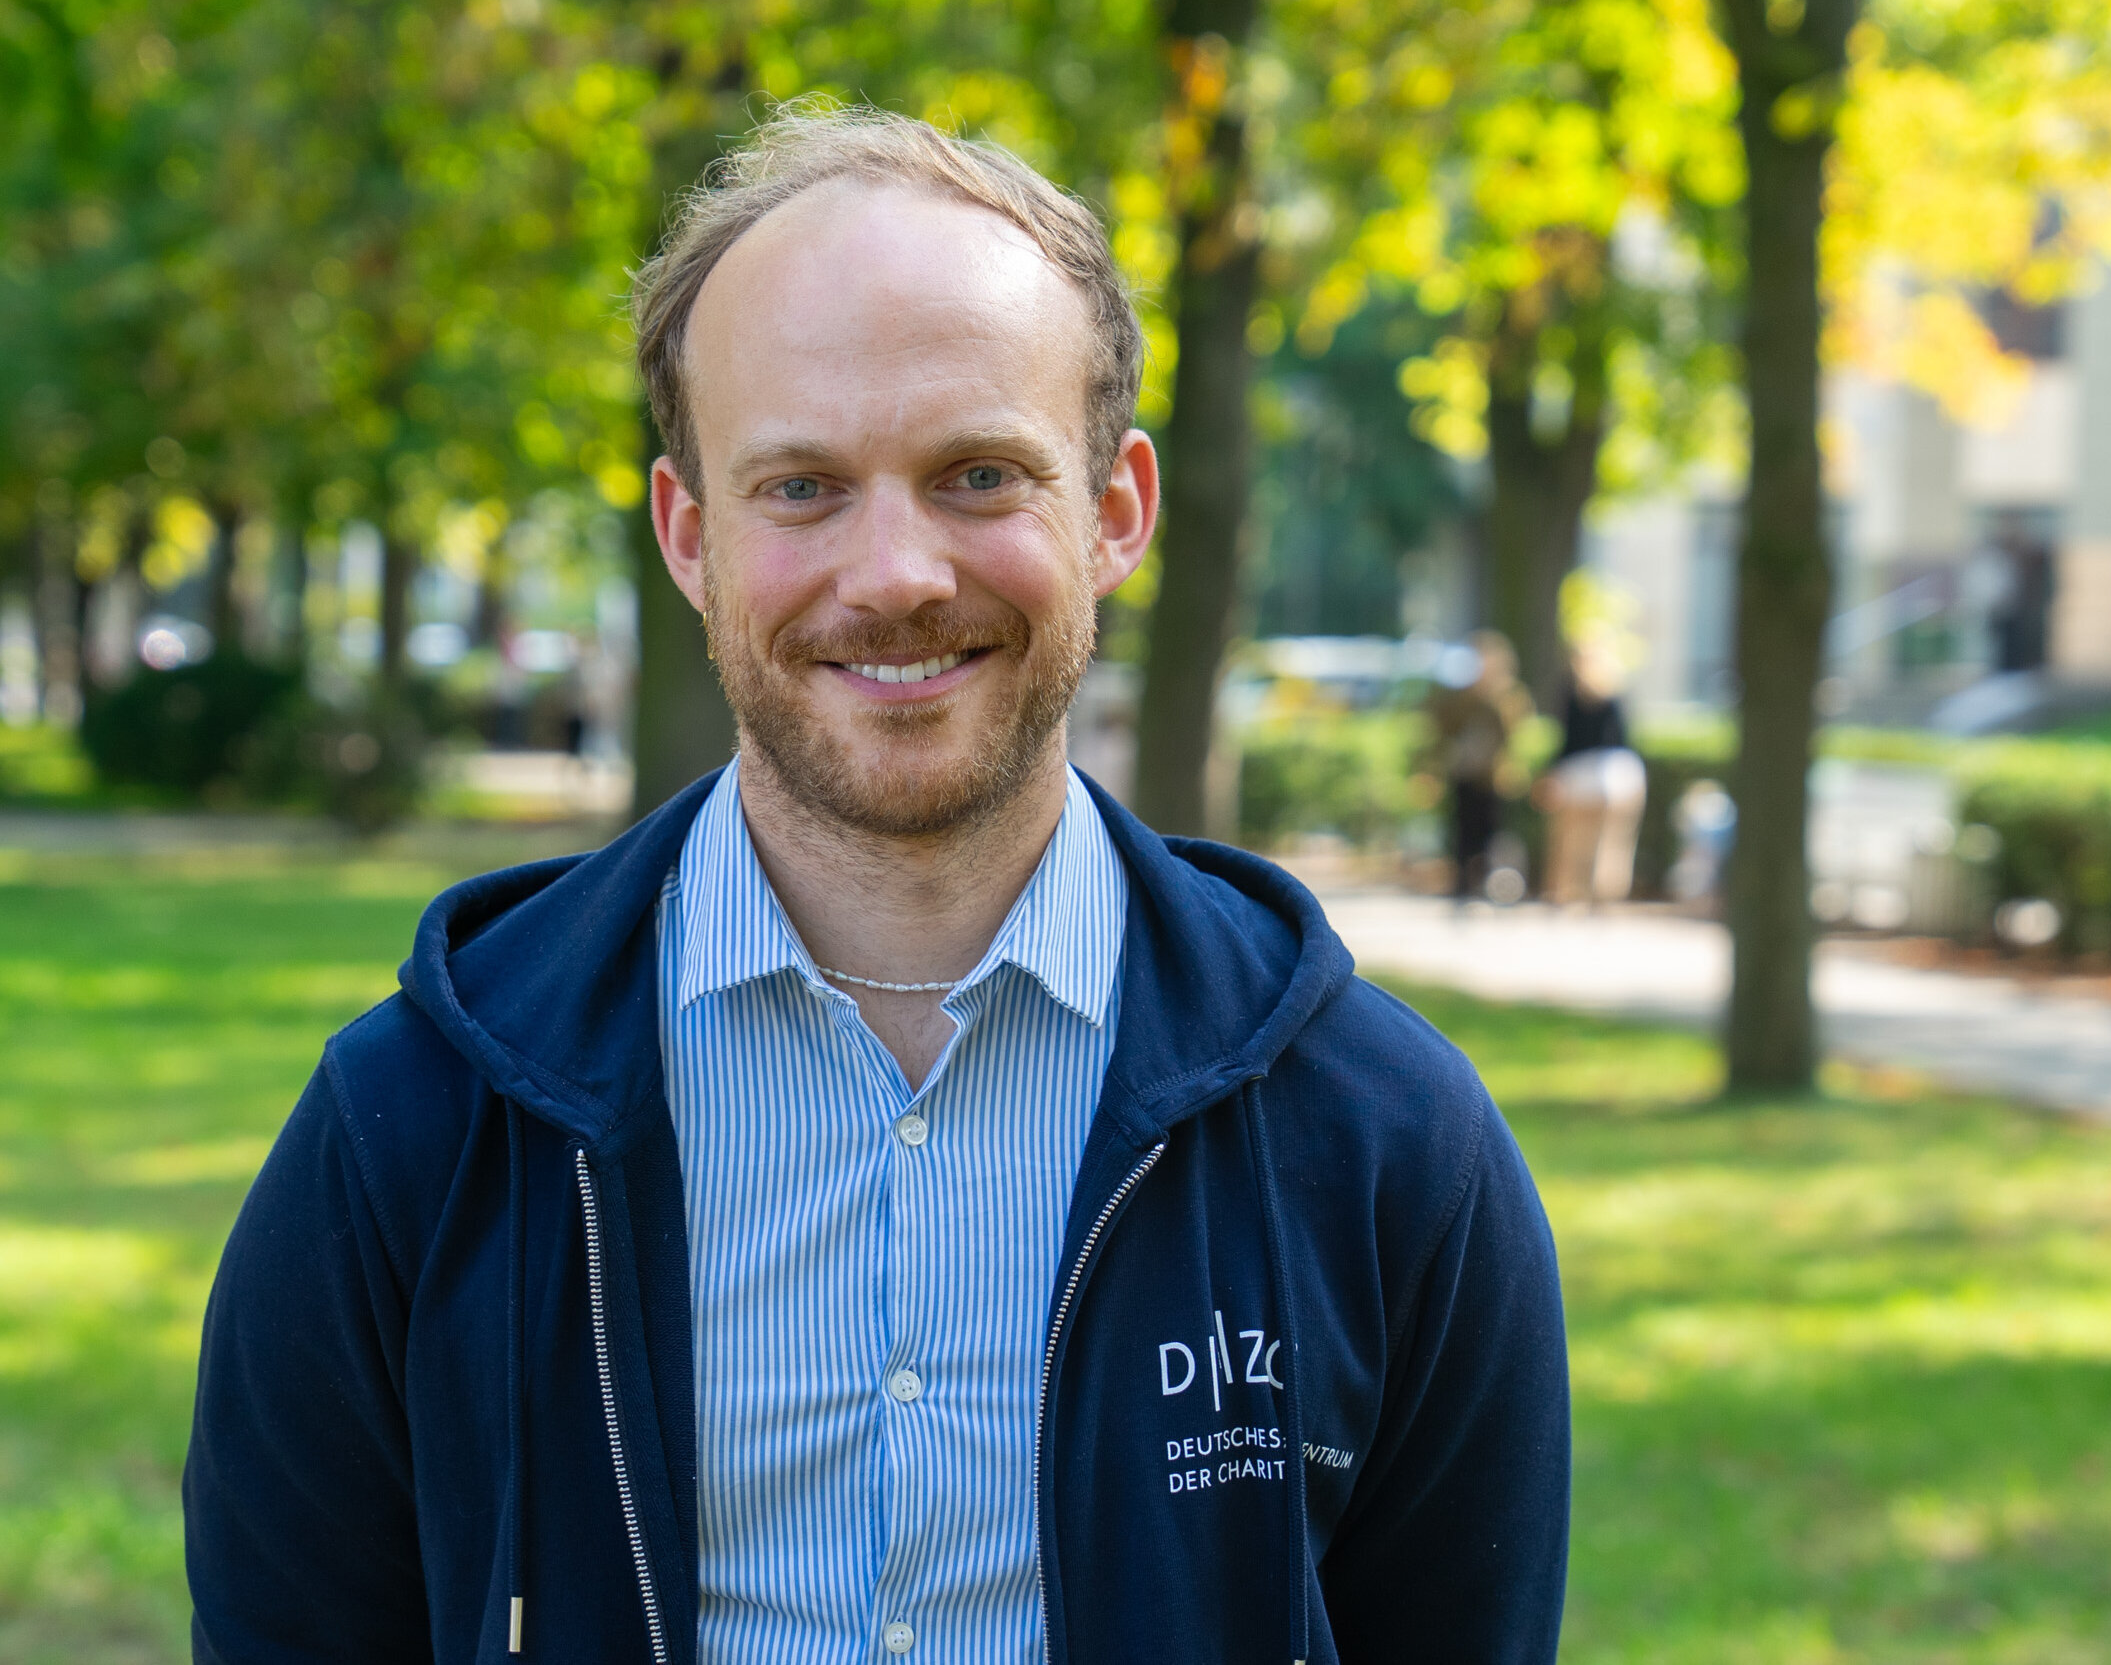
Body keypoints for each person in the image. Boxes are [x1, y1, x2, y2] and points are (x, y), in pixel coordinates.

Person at [183, 107, 1568, 1665]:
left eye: (979, 474)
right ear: (688, 535)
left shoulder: (1383, 1146)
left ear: (1114, 511)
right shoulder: (415, 1134)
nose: (896, 571)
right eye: (801, 488)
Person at [1538, 642, 1646, 907]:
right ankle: (1604, 897)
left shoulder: (1573, 696)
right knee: (1611, 845)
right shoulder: (1616, 696)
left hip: (1583, 778)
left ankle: (1569, 896)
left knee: (1571, 845)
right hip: (1618, 778)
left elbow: (1568, 743)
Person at [1426, 631, 1530, 904]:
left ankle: (1492, 882)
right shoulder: (1459, 697)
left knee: (1492, 831)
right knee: (1462, 829)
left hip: (1494, 776)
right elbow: (1442, 726)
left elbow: (1514, 731)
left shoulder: (1508, 695)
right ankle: (1461, 883)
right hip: (1464, 771)